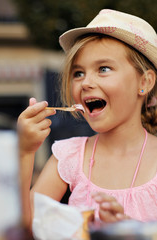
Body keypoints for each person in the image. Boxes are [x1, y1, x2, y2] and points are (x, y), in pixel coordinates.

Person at [17, 9, 157, 229]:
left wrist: (130, 230)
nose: (85, 83)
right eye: (78, 73)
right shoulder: (69, 156)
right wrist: (25, 152)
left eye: (103, 69)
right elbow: (26, 226)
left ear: (145, 82)